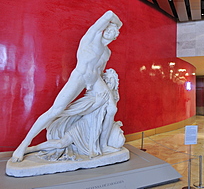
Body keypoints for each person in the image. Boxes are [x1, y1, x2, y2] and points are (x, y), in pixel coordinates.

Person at [11, 10, 123, 162]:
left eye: (113, 31)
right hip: (80, 77)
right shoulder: (91, 38)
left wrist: (101, 87)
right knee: (55, 110)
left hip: (95, 80)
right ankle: (24, 145)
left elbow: (99, 70)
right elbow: (109, 14)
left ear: (115, 36)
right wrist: (118, 23)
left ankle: (103, 146)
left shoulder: (107, 52)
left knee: (112, 109)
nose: (109, 31)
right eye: (108, 29)